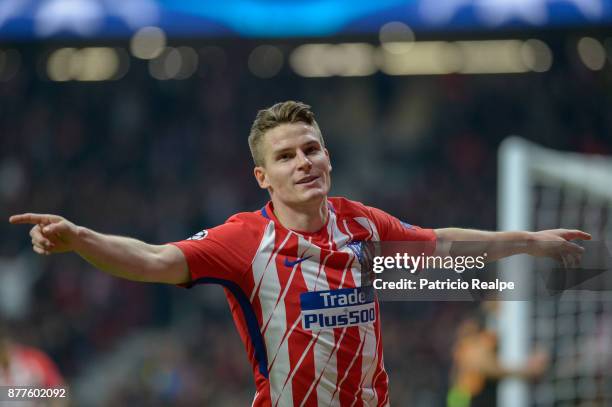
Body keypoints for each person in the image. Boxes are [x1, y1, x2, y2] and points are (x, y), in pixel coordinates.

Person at [9, 101, 590, 406]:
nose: (304, 161)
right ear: (263, 176)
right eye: (286, 156)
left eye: (311, 148)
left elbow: (442, 242)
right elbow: (155, 259)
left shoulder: (361, 224)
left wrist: (531, 242)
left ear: (329, 157)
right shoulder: (243, 240)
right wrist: (81, 238)